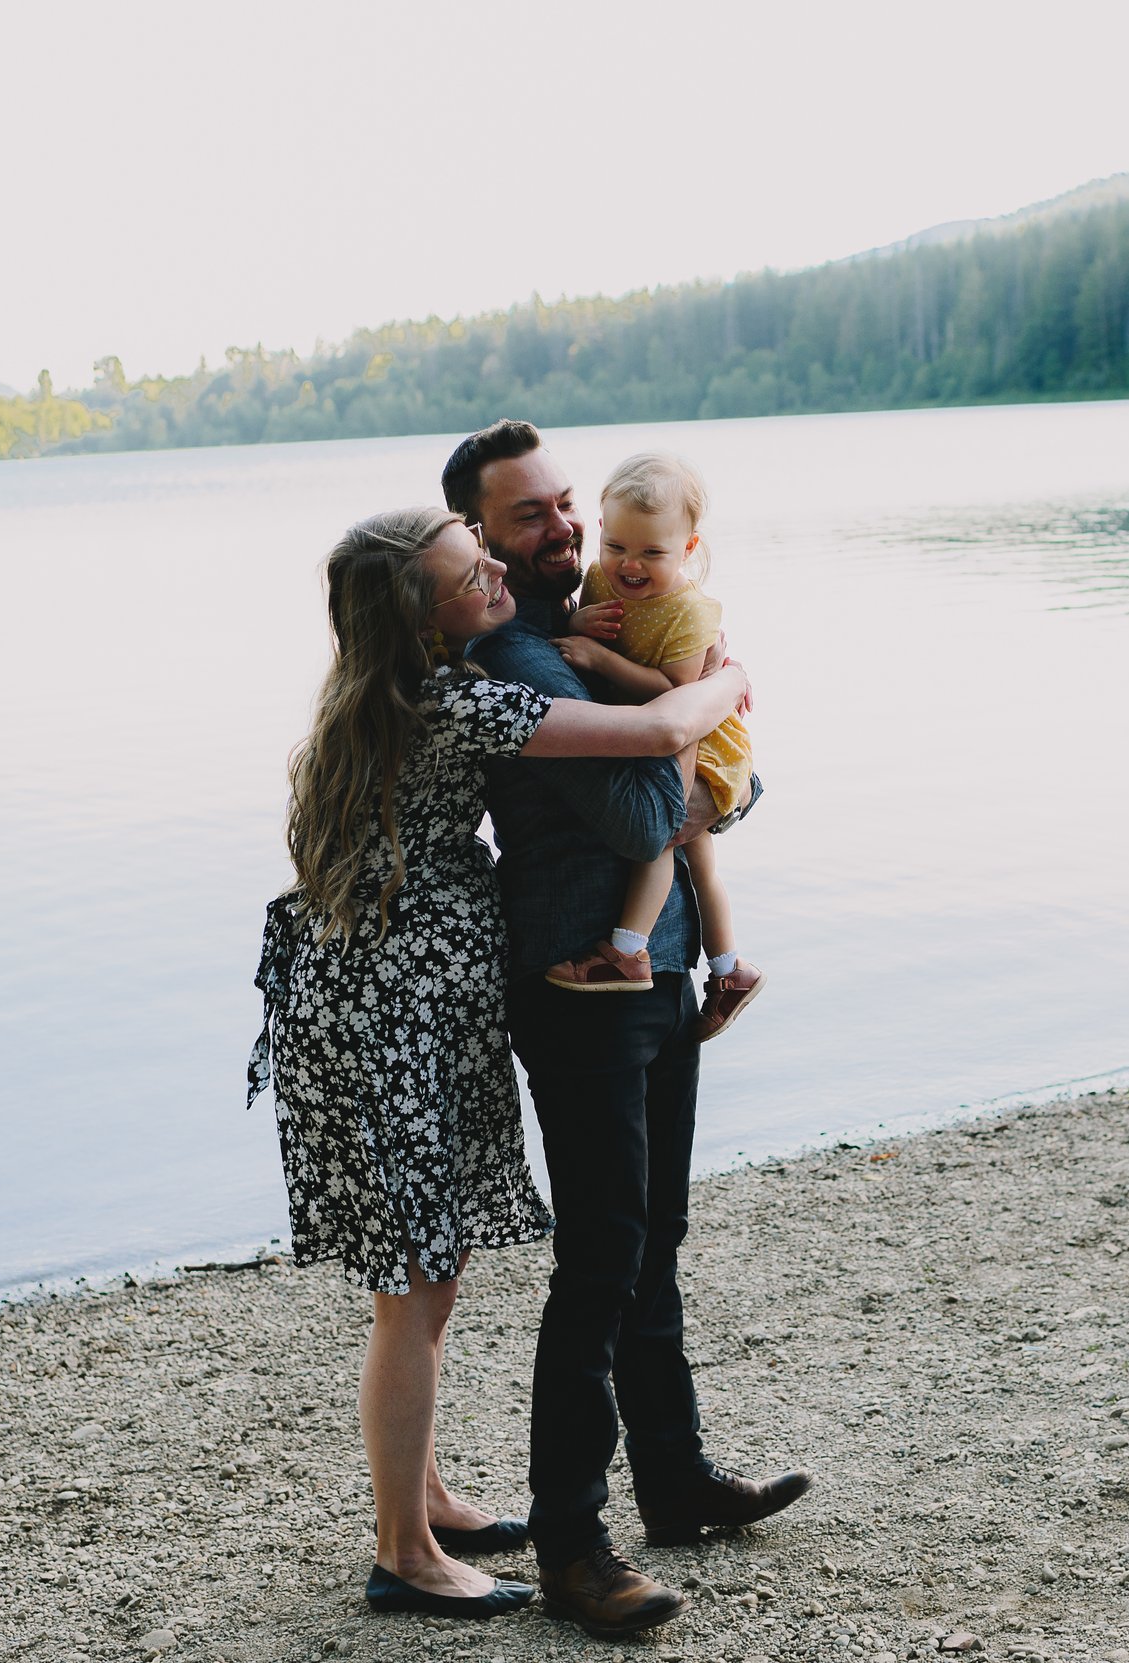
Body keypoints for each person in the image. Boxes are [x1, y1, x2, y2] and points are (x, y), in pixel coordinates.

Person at [246, 507, 750, 1623]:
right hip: (397, 1007)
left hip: (376, 993)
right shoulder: (457, 700)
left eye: (483, 557)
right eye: (469, 574)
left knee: (426, 1275)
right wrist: (728, 678)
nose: (493, 577)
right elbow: (656, 734)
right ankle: (403, 1551)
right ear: (422, 622)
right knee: (414, 1284)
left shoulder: (378, 696)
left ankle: (426, 1502)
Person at [444, 421, 811, 1639]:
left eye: (563, 506)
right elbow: (651, 801)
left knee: (656, 1235)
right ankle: (571, 1542)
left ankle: (676, 1478)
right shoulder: (511, 659)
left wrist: (706, 734)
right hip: (574, 986)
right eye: (527, 517)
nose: (558, 530)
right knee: (600, 1255)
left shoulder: (607, 625)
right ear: (478, 538)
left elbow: (727, 788)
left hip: (651, 971)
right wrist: (707, 700)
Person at [540, 450, 766, 1039]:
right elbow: (578, 625)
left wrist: (600, 656)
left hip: (701, 745)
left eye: (651, 553)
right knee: (700, 859)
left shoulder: (689, 613)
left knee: (663, 837)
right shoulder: (597, 579)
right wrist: (574, 628)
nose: (628, 565)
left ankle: (628, 949)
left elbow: (674, 693)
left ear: (688, 548)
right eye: (615, 546)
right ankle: (728, 970)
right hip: (656, 738)